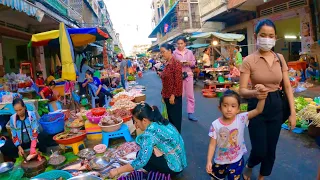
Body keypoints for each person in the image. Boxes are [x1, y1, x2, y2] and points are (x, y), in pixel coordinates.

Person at [239, 19, 296, 180]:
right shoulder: (248, 60)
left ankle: (262, 176)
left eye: (271, 36)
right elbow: (242, 90)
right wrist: (254, 93)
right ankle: (250, 165)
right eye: (263, 35)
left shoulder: (280, 58)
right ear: (256, 36)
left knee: (271, 149)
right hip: (256, 105)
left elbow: (287, 86)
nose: (267, 38)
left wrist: (293, 113)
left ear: (275, 38)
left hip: (276, 104)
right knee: (259, 150)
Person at [109, 103, 187, 178]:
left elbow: (140, 162)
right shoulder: (159, 120)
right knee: (146, 153)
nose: (136, 126)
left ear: (144, 121)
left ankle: (162, 174)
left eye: (136, 122)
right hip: (181, 162)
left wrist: (117, 171)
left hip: (174, 168)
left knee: (140, 156)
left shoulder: (149, 135)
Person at [206, 90, 266, 180]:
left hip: (236, 161)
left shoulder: (241, 118)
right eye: (225, 105)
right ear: (220, 108)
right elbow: (212, 145)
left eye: (233, 106)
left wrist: (262, 99)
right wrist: (209, 161)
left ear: (238, 109)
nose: (229, 109)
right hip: (220, 161)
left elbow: (258, 110)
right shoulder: (216, 125)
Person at [159, 43, 183, 132]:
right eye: (161, 52)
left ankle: (177, 140)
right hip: (166, 95)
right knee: (171, 120)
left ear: (169, 51)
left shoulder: (176, 63)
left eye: (163, 52)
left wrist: (173, 95)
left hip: (173, 97)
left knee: (175, 121)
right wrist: (163, 94)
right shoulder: (167, 64)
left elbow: (178, 81)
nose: (162, 54)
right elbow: (165, 81)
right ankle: (173, 138)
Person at [173, 37, 198, 121]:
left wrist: (189, 63)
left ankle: (190, 113)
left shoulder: (189, 52)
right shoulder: (174, 53)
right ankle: (177, 112)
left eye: (181, 43)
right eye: (178, 43)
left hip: (189, 75)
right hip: (179, 76)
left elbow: (194, 63)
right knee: (180, 95)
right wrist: (178, 64)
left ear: (185, 44)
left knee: (190, 95)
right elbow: (172, 64)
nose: (180, 45)